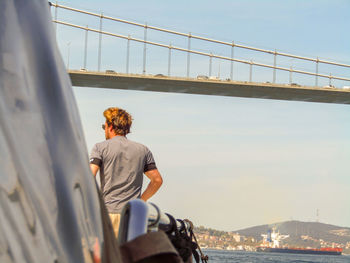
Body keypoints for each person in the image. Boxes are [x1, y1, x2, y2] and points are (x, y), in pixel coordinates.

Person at [89, 107, 163, 238]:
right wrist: (141, 200)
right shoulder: (143, 150)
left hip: (108, 213)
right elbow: (157, 180)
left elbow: (89, 176)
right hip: (134, 216)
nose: (104, 130)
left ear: (110, 126)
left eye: (104, 126)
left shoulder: (100, 148)